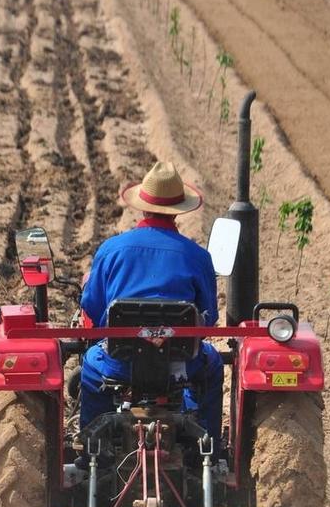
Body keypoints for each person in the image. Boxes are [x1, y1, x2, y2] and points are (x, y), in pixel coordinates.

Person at [80, 160, 223, 452]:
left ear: (142, 207)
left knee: (91, 367)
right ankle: (207, 448)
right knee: (213, 365)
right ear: (179, 211)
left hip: (119, 365)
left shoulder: (112, 249)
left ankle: (91, 451)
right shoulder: (197, 256)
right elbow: (207, 323)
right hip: (180, 365)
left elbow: (92, 314)